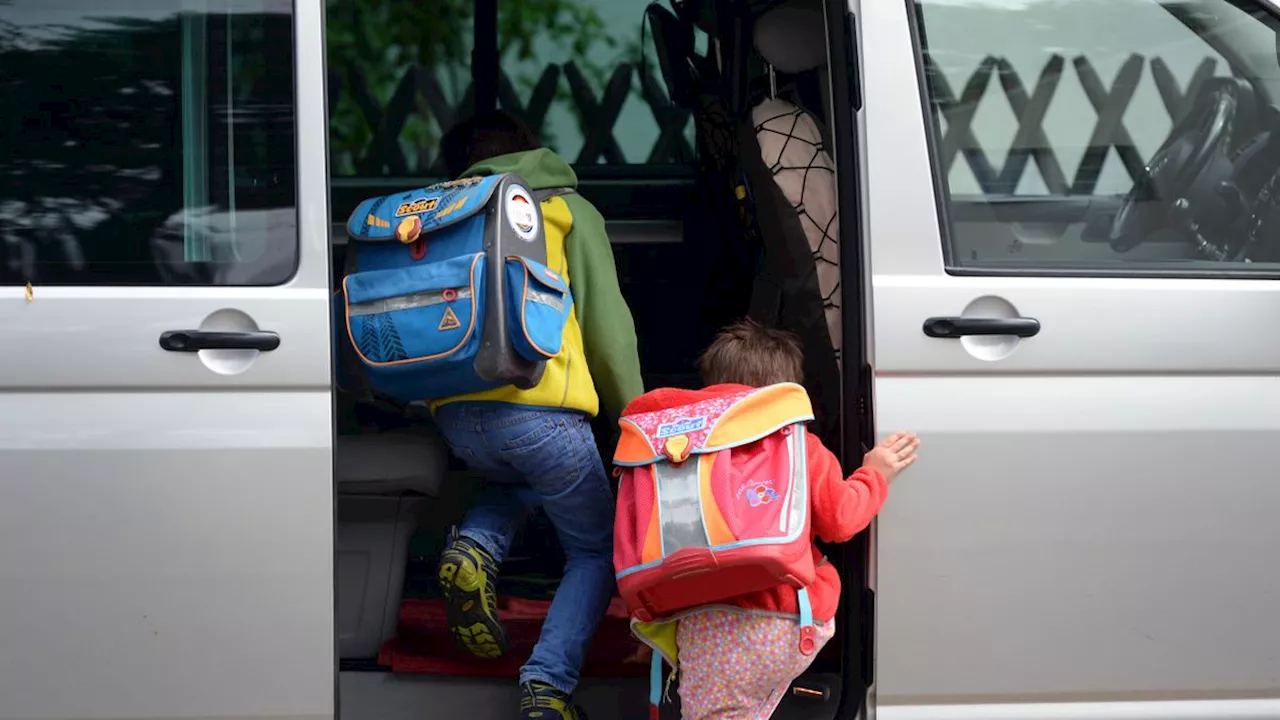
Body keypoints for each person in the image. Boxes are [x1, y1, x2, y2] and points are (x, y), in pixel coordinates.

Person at [430, 111, 644, 720]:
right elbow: (608, 330)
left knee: (521, 477)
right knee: (596, 550)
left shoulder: (444, 210)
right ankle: (548, 684)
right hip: (541, 413)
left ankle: (475, 544)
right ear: (532, 151)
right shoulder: (565, 209)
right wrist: (636, 419)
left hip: (459, 418)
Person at [634, 319, 918, 720]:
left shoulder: (678, 456)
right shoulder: (800, 446)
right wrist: (874, 473)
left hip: (702, 623)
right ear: (786, 394)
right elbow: (839, 520)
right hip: (787, 618)